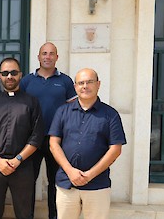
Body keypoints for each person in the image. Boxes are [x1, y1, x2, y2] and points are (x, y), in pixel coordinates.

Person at [49, 68, 126, 219]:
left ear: (98, 84)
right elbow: (53, 143)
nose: (85, 86)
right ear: (75, 87)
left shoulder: (111, 115)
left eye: (89, 82)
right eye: (81, 83)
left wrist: (90, 175)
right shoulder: (62, 112)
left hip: (97, 184)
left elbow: (115, 149)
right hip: (66, 182)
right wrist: (70, 171)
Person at [0, 57, 45, 219]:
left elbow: (36, 136)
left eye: (13, 72)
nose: (10, 76)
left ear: (20, 75)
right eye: (5, 73)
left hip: (22, 166)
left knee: (24, 214)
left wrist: (18, 160)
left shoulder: (31, 102)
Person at [19, 42, 76, 219]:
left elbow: (73, 109)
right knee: (28, 182)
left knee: (55, 182)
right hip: (32, 140)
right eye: (44, 53)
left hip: (57, 140)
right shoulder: (27, 80)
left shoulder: (65, 81)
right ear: (38, 57)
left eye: (51, 54)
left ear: (57, 57)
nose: (47, 57)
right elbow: (18, 108)